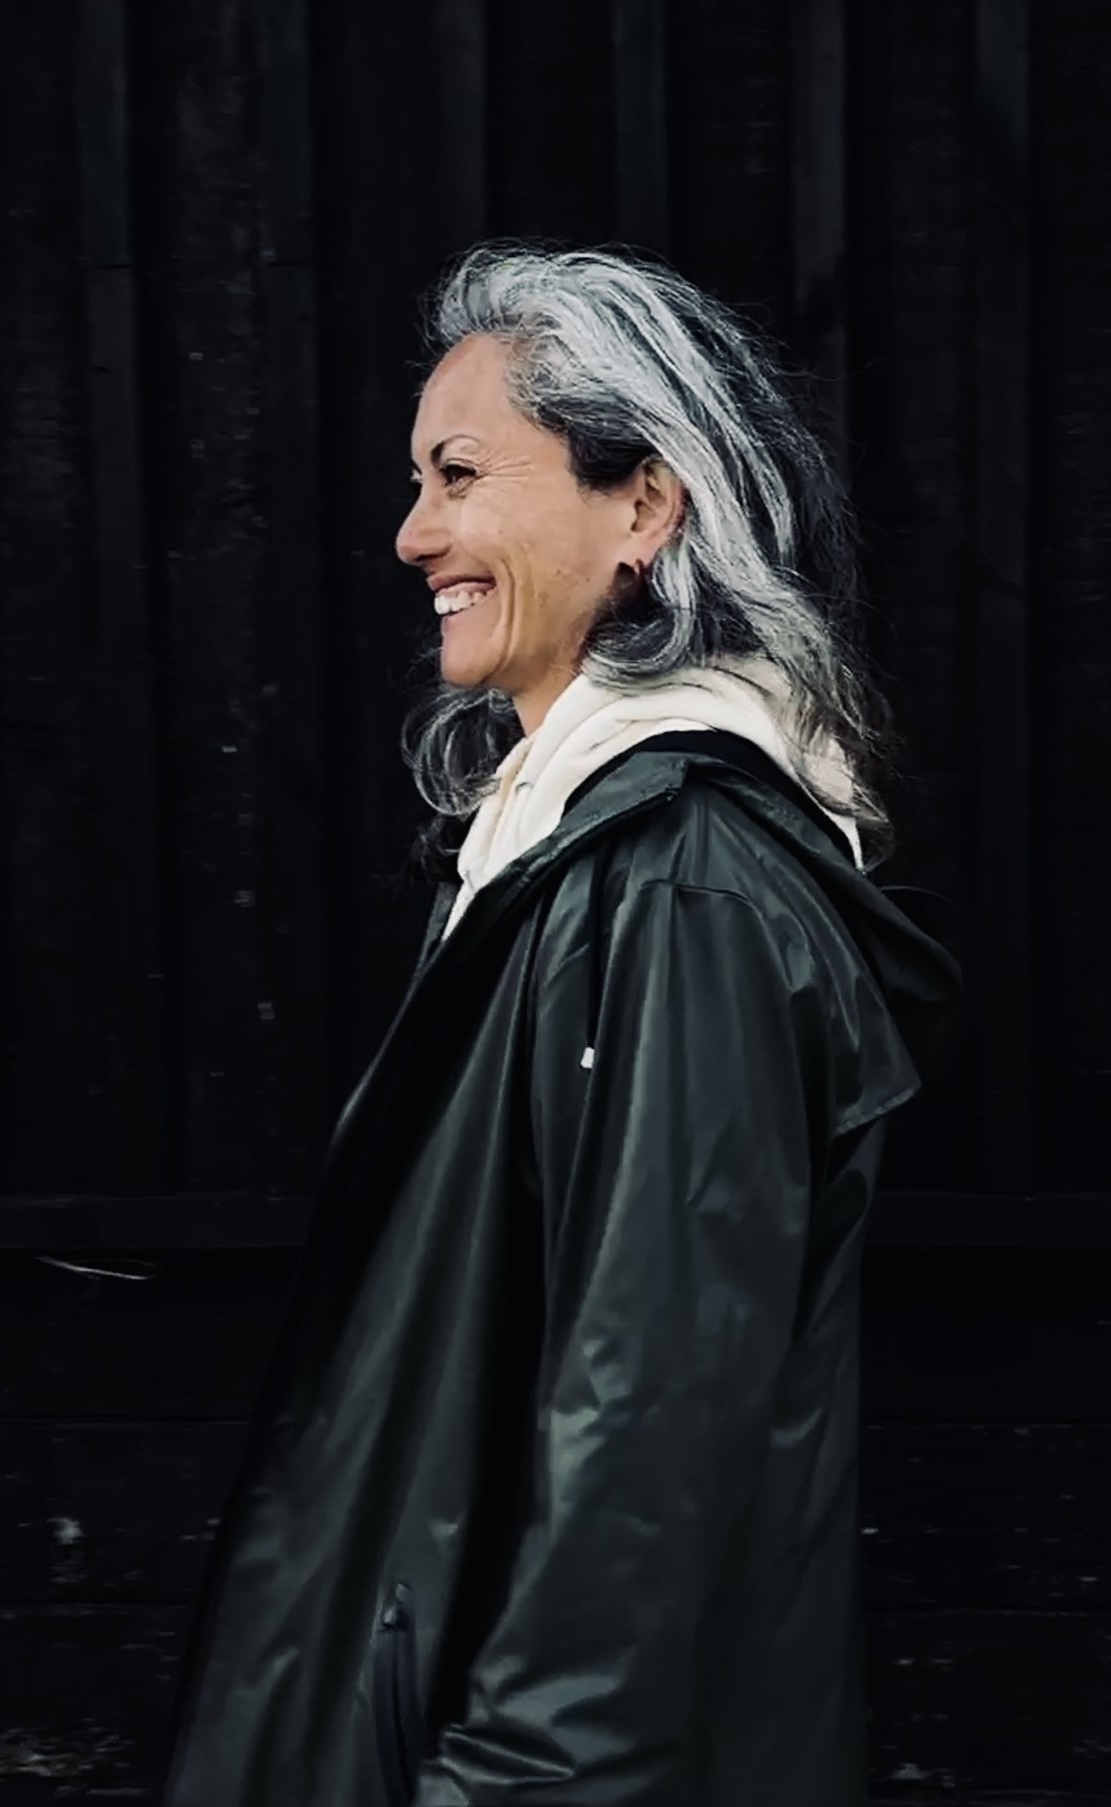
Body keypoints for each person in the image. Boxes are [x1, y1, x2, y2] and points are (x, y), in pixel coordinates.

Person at [158, 243, 958, 1806]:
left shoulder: (679, 891)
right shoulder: (566, 857)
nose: (412, 534)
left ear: (644, 507)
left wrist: (511, 1784)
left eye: (459, 475)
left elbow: (653, 1436)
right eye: (415, 481)